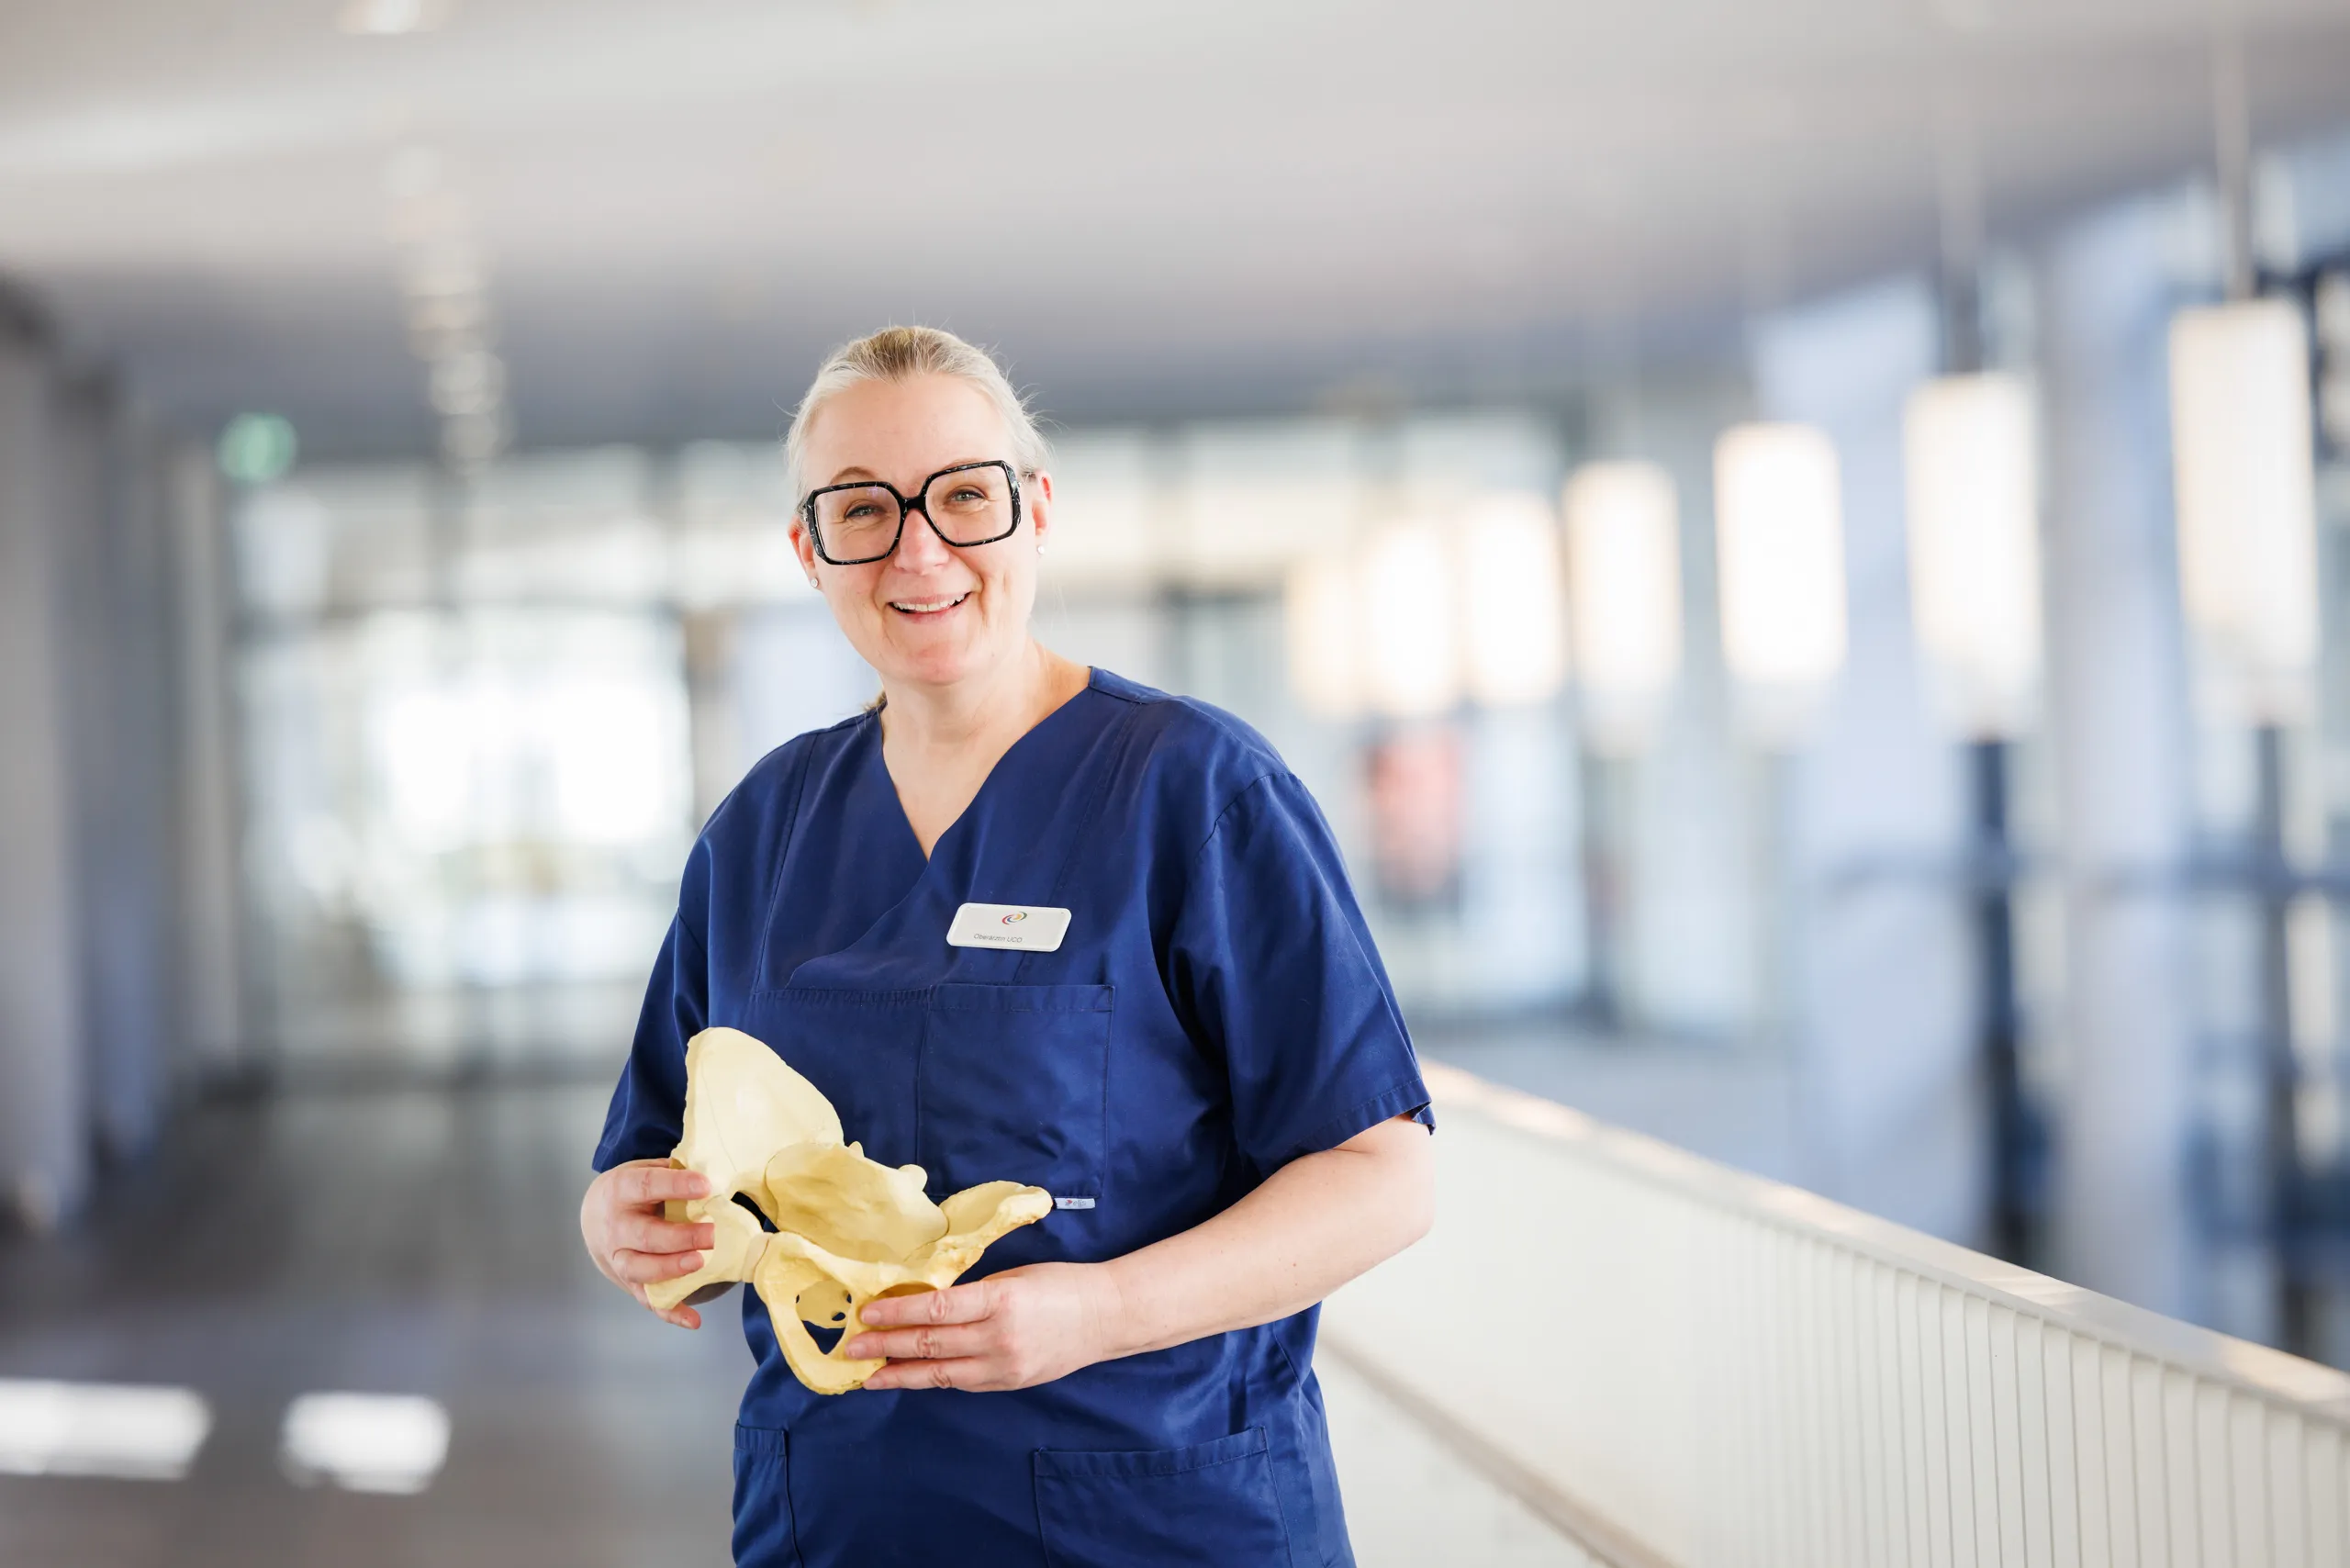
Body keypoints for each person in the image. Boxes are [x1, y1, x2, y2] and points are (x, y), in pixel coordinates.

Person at [580, 325, 1435, 1567]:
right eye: (861, 510)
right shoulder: (763, 832)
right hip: (844, 1521)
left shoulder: (1196, 792)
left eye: (964, 497)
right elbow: (669, 1175)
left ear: (1035, 509)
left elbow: (1382, 1176)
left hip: (1156, 1516)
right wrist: (627, 1226)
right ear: (808, 551)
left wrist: (1103, 1310)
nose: (919, 549)